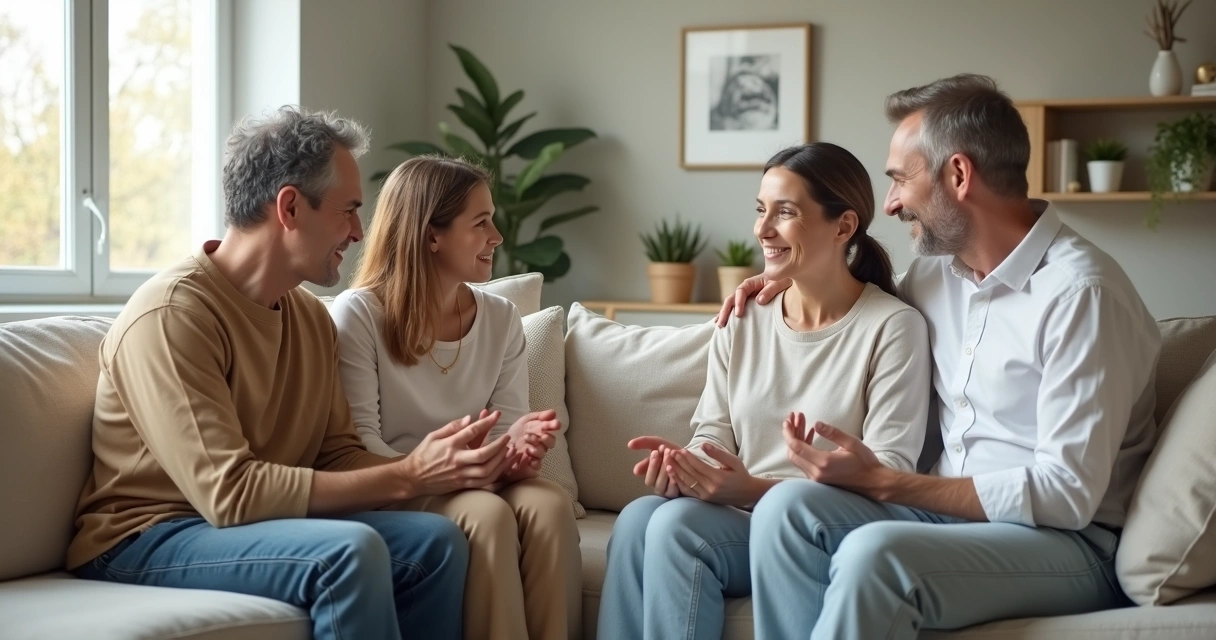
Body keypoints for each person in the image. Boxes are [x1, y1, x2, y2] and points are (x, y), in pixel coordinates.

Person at [719, 74, 1162, 640]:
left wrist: (887, 483)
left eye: (901, 179)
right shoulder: (935, 274)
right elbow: (854, 296)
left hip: (1068, 544)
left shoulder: (1083, 294)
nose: (892, 202)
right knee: (789, 511)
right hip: (949, 521)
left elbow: (1067, 495)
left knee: (875, 555)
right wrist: (782, 274)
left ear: (958, 175)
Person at [66, 107, 509, 640]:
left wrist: (438, 463)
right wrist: (409, 474)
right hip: (148, 534)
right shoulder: (174, 315)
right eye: (347, 211)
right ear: (291, 207)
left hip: (249, 524)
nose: (359, 231)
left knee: (434, 542)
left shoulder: (308, 319)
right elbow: (230, 494)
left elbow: (338, 453)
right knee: (349, 552)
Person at [596, 142, 933, 640]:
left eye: (785, 213)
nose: (762, 229)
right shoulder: (744, 315)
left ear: (843, 226)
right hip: (742, 513)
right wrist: (684, 470)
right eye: (760, 210)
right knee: (638, 518)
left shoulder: (893, 326)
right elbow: (712, 433)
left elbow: (891, 472)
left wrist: (752, 489)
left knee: (675, 529)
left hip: (825, 525)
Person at [329, 155, 581, 640]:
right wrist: (451, 472)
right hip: (397, 482)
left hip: (475, 478)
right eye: (481, 222)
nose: (497, 237)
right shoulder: (359, 315)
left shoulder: (501, 317)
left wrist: (520, 451)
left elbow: (506, 432)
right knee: (485, 515)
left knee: (548, 504)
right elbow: (357, 445)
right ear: (431, 235)